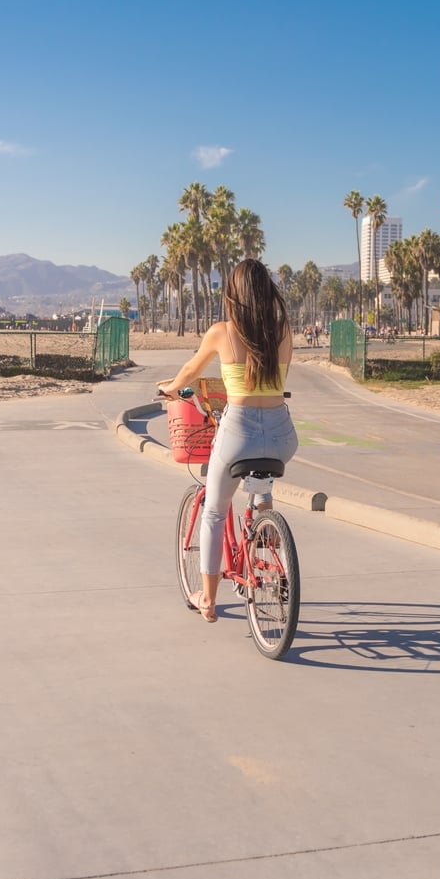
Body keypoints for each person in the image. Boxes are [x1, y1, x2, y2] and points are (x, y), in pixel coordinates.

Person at [156, 259, 298, 622]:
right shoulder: (284, 331)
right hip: (282, 434)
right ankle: (266, 539)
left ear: (233, 295)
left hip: (239, 429)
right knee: (261, 479)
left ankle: (208, 597)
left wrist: (171, 389)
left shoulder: (222, 332)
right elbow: (274, 378)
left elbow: (190, 371)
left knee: (216, 510)